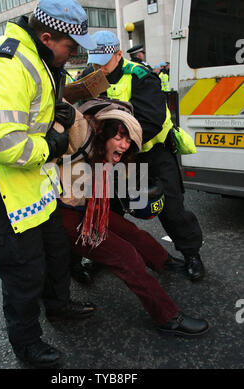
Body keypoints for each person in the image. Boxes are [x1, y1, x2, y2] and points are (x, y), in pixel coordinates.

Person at [0, 0, 98, 369]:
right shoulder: (1, 65)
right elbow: (9, 147)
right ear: (47, 36)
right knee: (23, 274)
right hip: (4, 191)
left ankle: (57, 306)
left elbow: (32, 111)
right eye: (70, 48)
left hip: (37, 184)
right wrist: (56, 142)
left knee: (56, 255)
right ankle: (27, 344)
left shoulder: (38, 58)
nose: (72, 57)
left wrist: (60, 112)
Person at [58, 104, 209, 337]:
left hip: (87, 209)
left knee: (130, 231)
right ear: (103, 133)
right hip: (64, 216)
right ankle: (168, 317)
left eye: (128, 141)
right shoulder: (83, 136)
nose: (124, 144)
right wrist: (67, 112)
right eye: (119, 137)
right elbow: (71, 114)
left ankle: (163, 261)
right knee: (125, 256)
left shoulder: (108, 155)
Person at [75, 30, 205, 283]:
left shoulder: (141, 76)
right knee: (107, 209)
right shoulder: (89, 76)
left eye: (103, 61)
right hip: (111, 157)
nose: (98, 68)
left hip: (149, 153)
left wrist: (121, 147)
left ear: (118, 54)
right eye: (94, 61)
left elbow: (151, 121)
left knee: (171, 208)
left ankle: (191, 254)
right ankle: (101, 255)